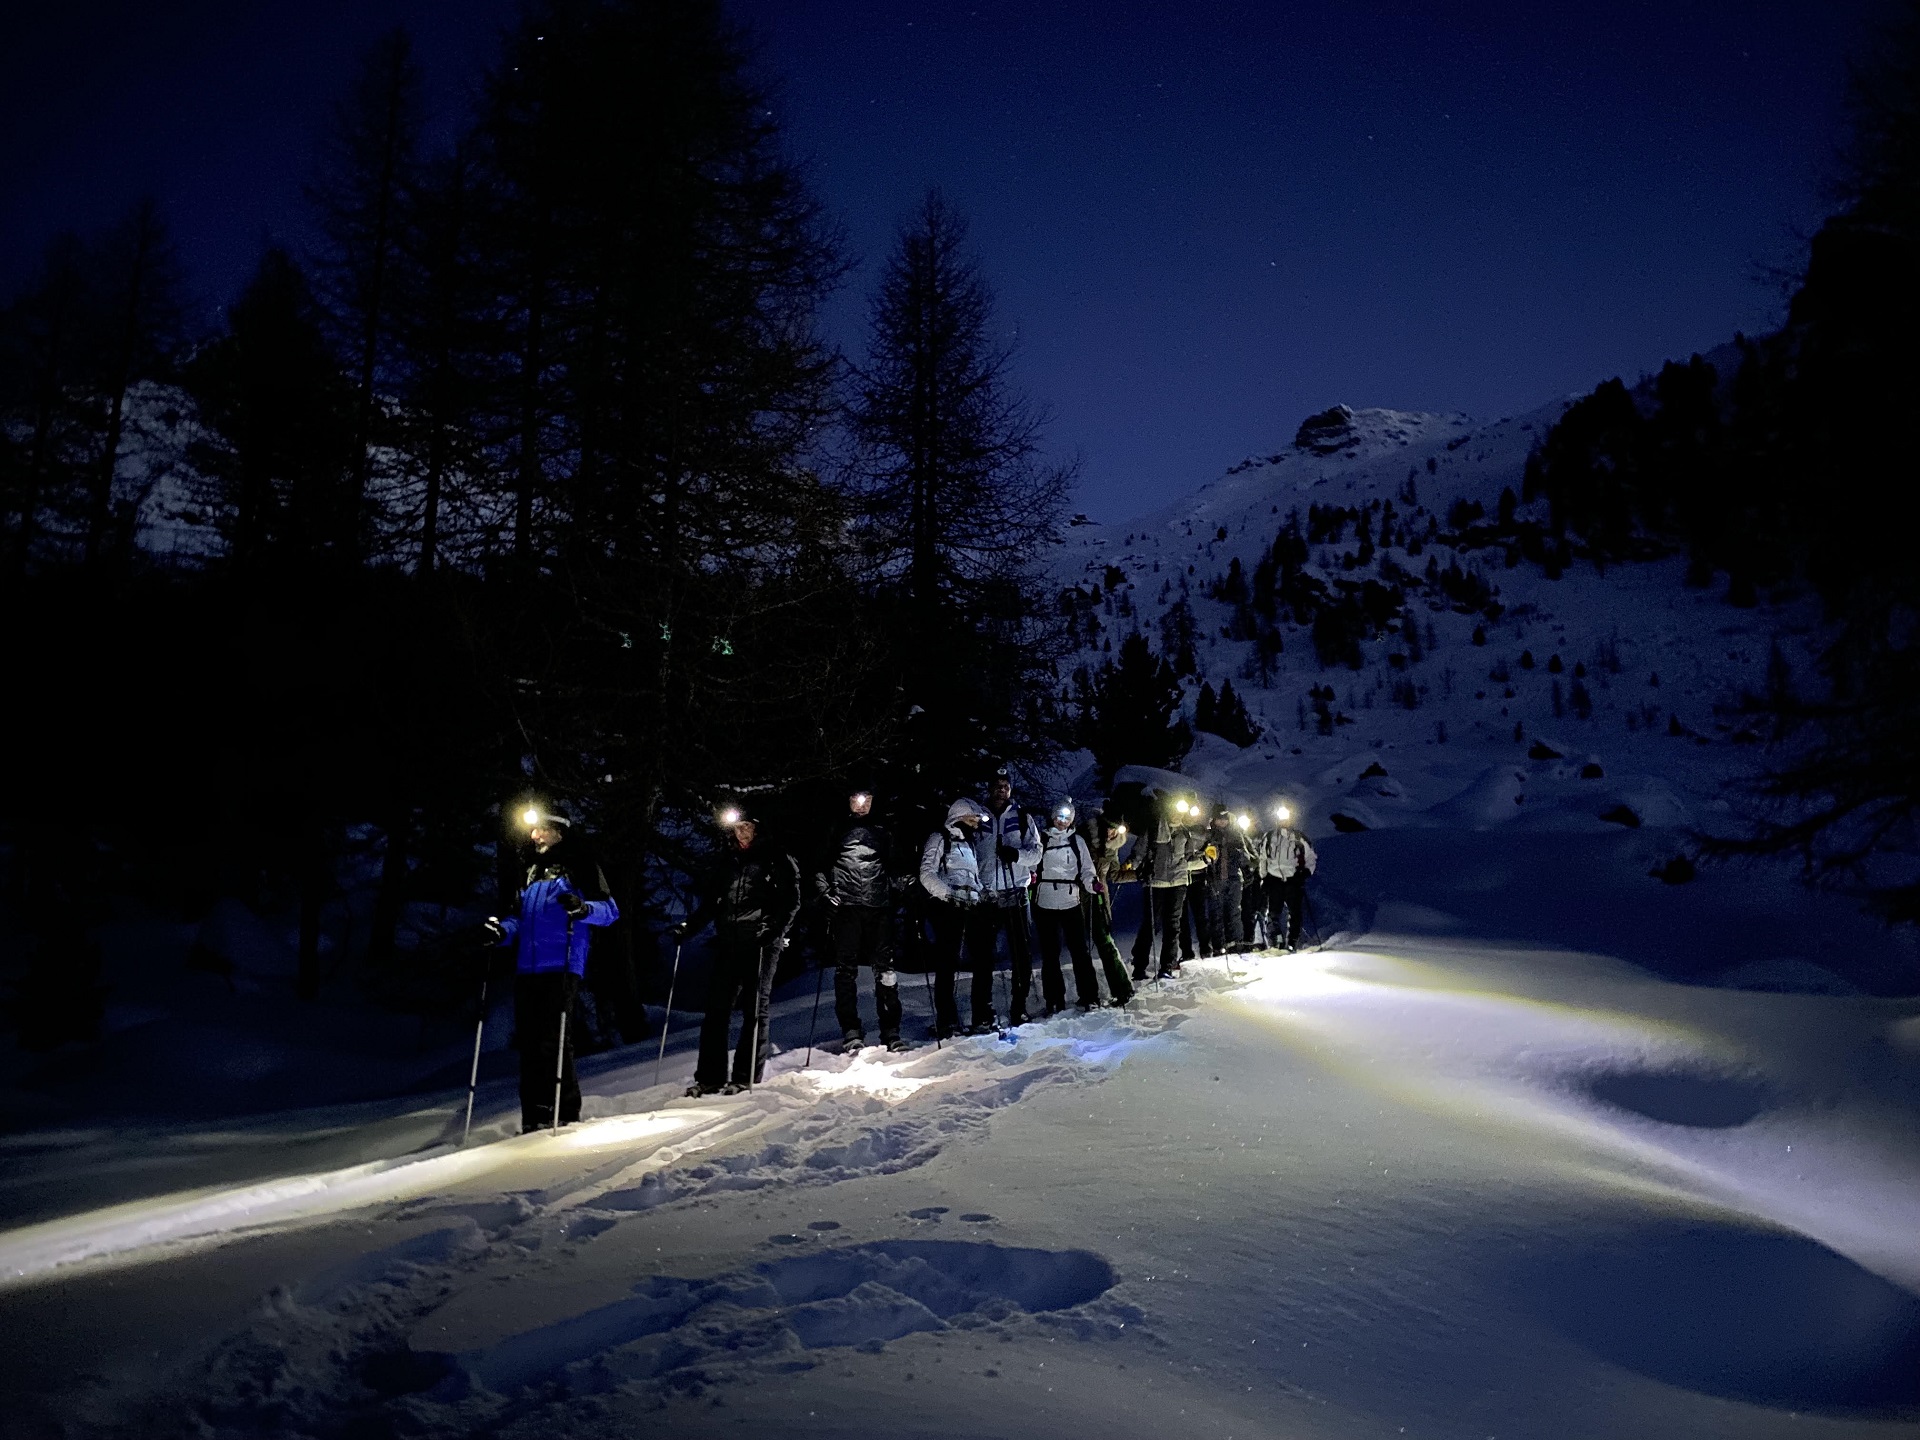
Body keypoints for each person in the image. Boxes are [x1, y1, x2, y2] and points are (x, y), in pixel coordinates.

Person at [485, 804, 619, 1132]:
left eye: (540, 829)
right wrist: (502, 931)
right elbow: (519, 917)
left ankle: (564, 1112)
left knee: (552, 1039)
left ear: (557, 830)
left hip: (562, 963)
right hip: (527, 968)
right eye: (532, 830)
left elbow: (610, 910)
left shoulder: (580, 863)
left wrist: (583, 908)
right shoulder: (529, 871)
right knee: (530, 1043)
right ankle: (535, 1115)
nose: (534, 836)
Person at [676, 807, 802, 1095]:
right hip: (729, 941)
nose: (741, 832)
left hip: (760, 941)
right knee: (716, 1010)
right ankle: (710, 1078)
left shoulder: (776, 858)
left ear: (757, 828)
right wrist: (689, 928)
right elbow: (712, 902)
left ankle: (744, 1077)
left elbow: (791, 901)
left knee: (754, 1008)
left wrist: (772, 930)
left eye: (747, 826)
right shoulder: (728, 861)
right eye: (737, 827)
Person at [815, 785, 907, 1052]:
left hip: (878, 906)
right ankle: (851, 1029)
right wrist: (825, 894)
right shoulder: (836, 828)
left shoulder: (883, 828)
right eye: (857, 798)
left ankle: (891, 1029)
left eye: (867, 799)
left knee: (886, 970)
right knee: (845, 971)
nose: (862, 804)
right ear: (848, 800)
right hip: (847, 906)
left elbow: (894, 864)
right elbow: (819, 866)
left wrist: (905, 883)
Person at [970, 767, 1045, 1021]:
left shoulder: (1023, 817)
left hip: (1015, 891)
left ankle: (1018, 1006)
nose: (1001, 790)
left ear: (1010, 790)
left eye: (1005, 786)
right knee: (983, 957)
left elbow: (1037, 853)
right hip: (987, 894)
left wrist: (1016, 855)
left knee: (1021, 954)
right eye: (997, 785)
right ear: (990, 788)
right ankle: (982, 1009)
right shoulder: (978, 817)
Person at [920, 797, 992, 1036]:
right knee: (947, 963)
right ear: (959, 818)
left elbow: (973, 877)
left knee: (983, 960)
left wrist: (983, 892)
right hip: (948, 907)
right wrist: (947, 895)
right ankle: (947, 1020)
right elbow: (927, 873)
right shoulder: (939, 838)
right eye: (972, 820)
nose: (975, 825)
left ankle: (981, 1015)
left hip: (972, 906)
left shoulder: (969, 845)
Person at [1032, 796, 1106, 1007]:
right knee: (1050, 953)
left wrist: (1093, 884)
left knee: (1080, 951)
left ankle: (1089, 995)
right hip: (1045, 901)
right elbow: (1031, 865)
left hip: (1070, 901)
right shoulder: (1041, 840)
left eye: (1066, 817)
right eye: (1058, 816)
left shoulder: (1077, 841)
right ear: (1052, 817)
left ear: (1071, 820)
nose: (1061, 821)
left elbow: (1087, 870)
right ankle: (1054, 999)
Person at [1131, 791, 1205, 980]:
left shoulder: (1184, 832)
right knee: (1150, 925)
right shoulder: (1154, 829)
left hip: (1178, 882)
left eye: (1180, 812)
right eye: (1174, 811)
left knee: (1173, 925)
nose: (1177, 815)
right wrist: (1131, 865)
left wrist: (1206, 859)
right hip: (1155, 881)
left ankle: (1167, 966)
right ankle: (1139, 966)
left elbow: (1189, 859)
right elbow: (1139, 851)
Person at [1082, 807, 1135, 1006]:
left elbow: (1115, 875)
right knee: (1082, 947)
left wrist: (1139, 874)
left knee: (1105, 942)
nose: (1112, 833)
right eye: (1110, 829)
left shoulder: (1112, 847)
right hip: (1078, 898)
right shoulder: (1084, 838)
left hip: (1099, 899)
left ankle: (1122, 988)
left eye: (1116, 831)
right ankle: (1088, 995)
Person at [1267, 808, 1319, 950]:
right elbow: (1263, 858)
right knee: (1273, 913)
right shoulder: (1270, 837)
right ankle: (1276, 941)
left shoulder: (1299, 838)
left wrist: (1305, 872)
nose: (1283, 822)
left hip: (1293, 879)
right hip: (1275, 878)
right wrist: (1264, 877)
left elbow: (1311, 858)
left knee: (1295, 912)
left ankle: (1292, 941)